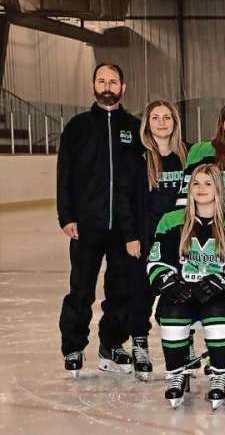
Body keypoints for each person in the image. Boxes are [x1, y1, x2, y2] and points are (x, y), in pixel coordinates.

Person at [58, 63, 141, 377]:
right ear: (93, 84)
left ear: (123, 87)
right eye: (102, 80)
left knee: (120, 288)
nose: (108, 86)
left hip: (124, 227)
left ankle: (112, 344)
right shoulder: (78, 127)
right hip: (86, 225)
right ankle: (74, 347)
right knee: (81, 289)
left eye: (114, 81)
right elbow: (64, 173)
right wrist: (66, 215)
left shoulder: (134, 128)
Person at [146, 164, 225, 409]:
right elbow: (156, 260)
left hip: (220, 294)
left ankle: (219, 376)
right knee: (172, 314)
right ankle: (175, 374)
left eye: (207, 183)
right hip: (185, 289)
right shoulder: (172, 220)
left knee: (218, 315)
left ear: (219, 189)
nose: (201, 189)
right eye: (196, 183)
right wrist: (167, 282)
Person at [116, 100, 188, 381]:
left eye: (167, 117)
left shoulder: (187, 153)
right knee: (141, 295)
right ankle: (140, 343)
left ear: (175, 122)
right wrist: (131, 236)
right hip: (145, 239)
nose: (161, 122)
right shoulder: (136, 157)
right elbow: (123, 199)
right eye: (155, 117)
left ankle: (186, 342)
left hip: (180, 240)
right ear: (147, 123)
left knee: (183, 292)